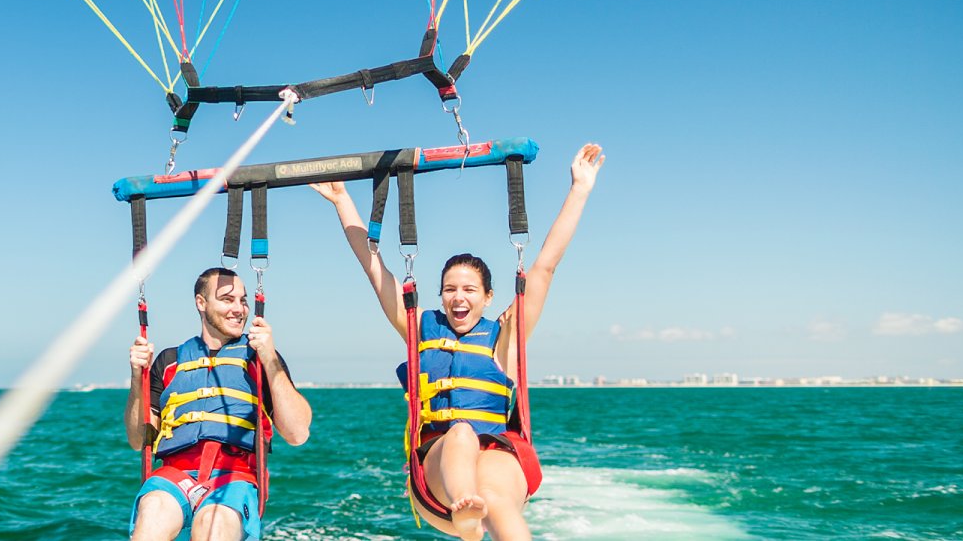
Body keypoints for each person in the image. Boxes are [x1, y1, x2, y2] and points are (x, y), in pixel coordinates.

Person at [310, 143, 604, 541]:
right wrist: (343, 201)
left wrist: (579, 190)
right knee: (461, 435)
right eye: (449, 289)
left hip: (498, 452)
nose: (458, 297)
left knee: (497, 502)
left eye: (468, 289)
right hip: (437, 468)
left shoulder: (505, 338)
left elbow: (545, 267)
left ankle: (476, 511)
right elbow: (373, 266)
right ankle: (466, 509)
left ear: (487, 298)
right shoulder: (420, 328)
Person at [126, 267, 313, 541]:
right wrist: (136, 375)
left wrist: (270, 357)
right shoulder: (168, 361)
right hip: (173, 476)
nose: (239, 308)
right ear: (201, 303)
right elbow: (137, 439)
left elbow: (298, 433)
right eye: (228, 299)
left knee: (213, 524)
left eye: (243, 300)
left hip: (234, 475)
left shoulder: (258, 358)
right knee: (152, 510)